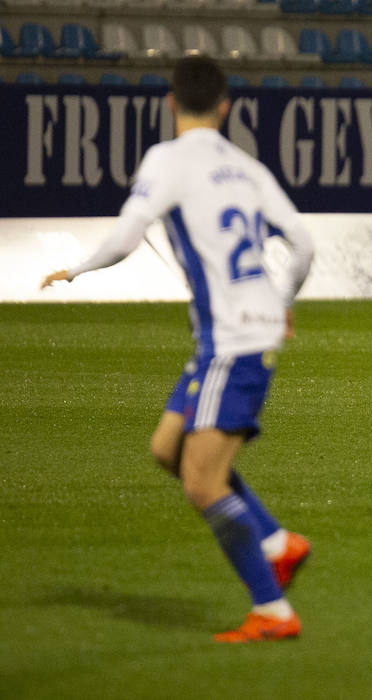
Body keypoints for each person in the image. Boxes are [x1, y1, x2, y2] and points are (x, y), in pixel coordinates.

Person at [41, 56, 315, 643]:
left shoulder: (167, 161)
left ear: (170, 103)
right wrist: (283, 300)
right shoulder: (247, 167)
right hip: (247, 327)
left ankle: (273, 610)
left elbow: (124, 237)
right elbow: (304, 243)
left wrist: (78, 268)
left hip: (233, 338)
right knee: (168, 448)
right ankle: (275, 541)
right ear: (225, 107)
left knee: (201, 483)